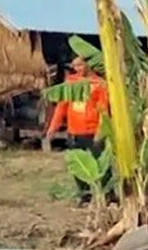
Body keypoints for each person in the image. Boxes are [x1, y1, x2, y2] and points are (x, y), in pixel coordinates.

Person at [44, 57, 110, 203]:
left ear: (88, 64)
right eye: (74, 66)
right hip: (74, 130)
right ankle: (84, 195)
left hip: (94, 131)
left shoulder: (99, 83)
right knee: (78, 164)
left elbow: (104, 108)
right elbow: (62, 107)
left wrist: (101, 129)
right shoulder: (70, 82)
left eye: (80, 65)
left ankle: (109, 195)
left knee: (103, 164)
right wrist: (53, 128)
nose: (77, 68)